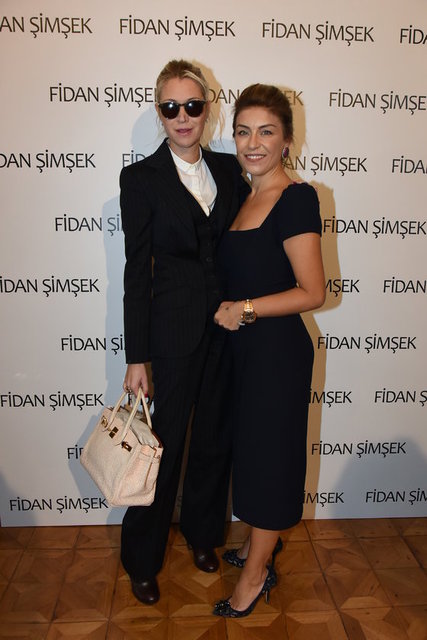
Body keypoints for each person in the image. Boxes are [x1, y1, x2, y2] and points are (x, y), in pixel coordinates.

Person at [120, 59, 246, 605]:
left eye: (192, 105)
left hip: (227, 329)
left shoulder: (229, 170)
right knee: (162, 451)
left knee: (214, 440)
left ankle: (202, 535)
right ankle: (141, 559)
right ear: (159, 112)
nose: (182, 116)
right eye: (170, 107)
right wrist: (136, 356)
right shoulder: (140, 180)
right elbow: (135, 272)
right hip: (171, 336)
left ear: (207, 109)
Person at [213, 83, 325, 617]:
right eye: (243, 131)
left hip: (277, 353)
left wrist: (247, 309)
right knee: (252, 454)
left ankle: (255, 575)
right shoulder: (242, 195)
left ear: (286, 141)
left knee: (271, 458)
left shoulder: (296, 198)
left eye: (266, 132)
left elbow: (313, 291)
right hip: (242, 353)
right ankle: (257, 547)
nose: (252, 143)